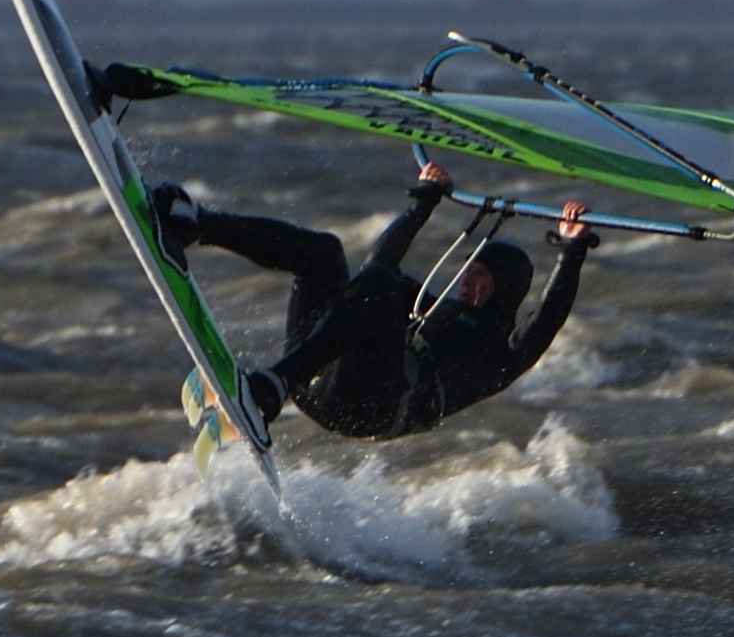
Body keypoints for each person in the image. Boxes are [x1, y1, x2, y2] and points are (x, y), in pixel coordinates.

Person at [150, 161, 597, 442]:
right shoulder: (434, 307)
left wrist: (571, 252)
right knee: (326, 253)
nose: (467, 284)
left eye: (481, 279)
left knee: (381, 286)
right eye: (470, 271)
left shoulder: (504, 353)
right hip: (319, 383)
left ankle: (271, 388)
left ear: (507, 291)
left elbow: (549, 315)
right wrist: (420, 208)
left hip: (367, 414)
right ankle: (195, 225)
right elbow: (379, 263)